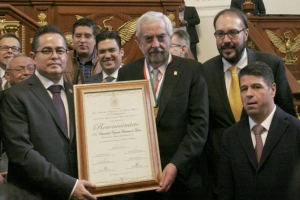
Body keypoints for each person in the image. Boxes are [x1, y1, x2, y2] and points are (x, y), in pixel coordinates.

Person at [203, 8, 296, 197]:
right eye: (220, 34)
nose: (226, 40)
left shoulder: (272, 63)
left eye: (232, 32)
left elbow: (287, 117)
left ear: (246, 33)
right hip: (224, 172)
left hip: (271, 168)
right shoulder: (204, 71)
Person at [117, 11, 208, 200]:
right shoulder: (127, 73)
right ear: (138, 42)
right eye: (148, 39)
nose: (155, 45)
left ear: (170, 37)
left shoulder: (192, 70)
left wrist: (176, 165)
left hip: (183, 178)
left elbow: (199, 126)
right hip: (140, 179)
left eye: (161, 37)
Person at [0, 25, 96, 200]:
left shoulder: (78, 94)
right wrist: (69, 185)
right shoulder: (14, 97)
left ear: (67, 55)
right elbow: (22, 153)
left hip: (80, 191)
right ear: (33, 57)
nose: (54, 56)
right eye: (46, 51)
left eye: (60, 50)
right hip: (33, 194)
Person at [217, 61, 300, 200]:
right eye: (244, 89)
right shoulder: (231, 135)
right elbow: (225, 189)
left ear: (273, 89)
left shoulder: (296, 129)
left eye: (256, 87)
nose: (248, 94)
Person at [0, 53, 35, 183]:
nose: (27, 73)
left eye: (31, 69)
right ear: (7, 76)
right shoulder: (2, 100)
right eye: (20, 69)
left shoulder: (47, 99)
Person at [64, 17, 102, 84]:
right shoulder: (63, 58)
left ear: (95, 40)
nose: (82, 40)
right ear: (73, 38)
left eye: (87, 36)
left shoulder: (104, 60)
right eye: (78, 36)